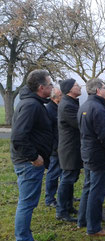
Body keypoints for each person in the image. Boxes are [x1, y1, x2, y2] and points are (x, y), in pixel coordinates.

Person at [11, 69, 54, 241]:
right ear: (41, 87)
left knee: (27, 202)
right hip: (29, 163)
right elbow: (18, 136)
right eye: (50, 84)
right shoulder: (31, 105)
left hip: (29, 162)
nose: (52, 87)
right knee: (27, 203)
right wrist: (34, 157)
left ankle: (24, 236)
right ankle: (23, 238)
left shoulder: (34, 103)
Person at [77, 79, 105, 236]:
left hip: (87, 153)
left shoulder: (84, 106)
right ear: (98, 90)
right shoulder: (98, 109)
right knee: (97, 192)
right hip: (98, 156)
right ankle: (93, 228)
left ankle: (82, 220)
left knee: (88, 188)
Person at [56, 78, 82, 222]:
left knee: (71, 178)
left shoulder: (71, 103)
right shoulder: (67, 105)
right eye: (77, 85)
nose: (79, 87)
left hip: (73, 147)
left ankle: (69, 205)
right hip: (69, 148)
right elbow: (79, 124)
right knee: (67, 179)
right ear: (70, 89)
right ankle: (61, 211)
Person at [45, 87, 63, 208]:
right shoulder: (49, 110)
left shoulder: (59, 108)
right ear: (54, 98)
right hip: (55, 148)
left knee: (63, 173)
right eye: (61, 95)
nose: (63, 97)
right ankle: (50, 198)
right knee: (53, 173)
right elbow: (50, 132)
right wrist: (54, 147)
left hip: (62, 146)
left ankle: (65, 195)